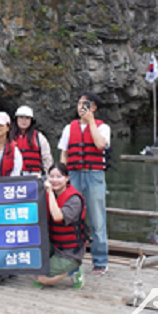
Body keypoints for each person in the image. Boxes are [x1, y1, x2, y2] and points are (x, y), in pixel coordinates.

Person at [58, 92, 111, 276]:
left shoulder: (103, 127)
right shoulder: (68, 128)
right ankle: (72, 260)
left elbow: (99, 145)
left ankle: (100, 261)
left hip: (94, 175)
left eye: (86, 104)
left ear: (93, 107)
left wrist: (90, 122)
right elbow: (64, 154)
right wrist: (62, 177)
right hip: (74, 175)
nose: (82, 107)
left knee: (97, 219)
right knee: (73, 218)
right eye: (80, 103)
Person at [34, 163, 86, 289]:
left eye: (59, 177)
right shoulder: (47, 192)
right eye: (51, 176)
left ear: (67, 178)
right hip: (55, 244)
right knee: (33, 264)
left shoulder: (74, 199)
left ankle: (74, 270)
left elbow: (57, 216)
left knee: (42, 278)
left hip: (70, 251)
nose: (55, 180)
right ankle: (56, 265)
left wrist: (50, 191)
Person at [12, 106, 52, 176]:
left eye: (27, 118)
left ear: (31, 120)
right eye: (21, 117)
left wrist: (49, 176)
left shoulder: (39, 137)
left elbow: (47, 158)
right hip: (13, 175)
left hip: (33, 175)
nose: (24, 121)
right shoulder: (9, 137)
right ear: (16, 119)